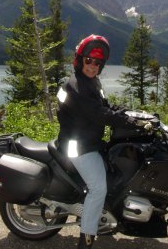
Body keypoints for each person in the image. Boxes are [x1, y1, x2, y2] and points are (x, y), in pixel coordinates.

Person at [56, 34, 146, 249]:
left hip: (89, 142)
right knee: (98, 188)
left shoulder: (91, 82)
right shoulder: (75, 86)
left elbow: (105, 107)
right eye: (89, 60)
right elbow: (98, 113)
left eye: (98, 62)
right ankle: (86, 238)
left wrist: (134, 114)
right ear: (79, 60)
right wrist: (128, 121)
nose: (93, 66)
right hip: (78, 147)